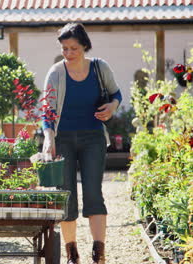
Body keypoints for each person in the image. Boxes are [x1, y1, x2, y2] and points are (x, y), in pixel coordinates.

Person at [41, 23, 122, 264]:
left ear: (85, 46)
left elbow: (116, 94)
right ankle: (72, 254)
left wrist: (112, 107)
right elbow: (47, 112)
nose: (68, 53)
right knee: (66, 196)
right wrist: (48, 139)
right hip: (62, 139)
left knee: (94, 194)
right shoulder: (55, 72)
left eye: (73, 48)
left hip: (93, 138)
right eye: (64, 48)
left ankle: (99, 254)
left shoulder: (100, 68)